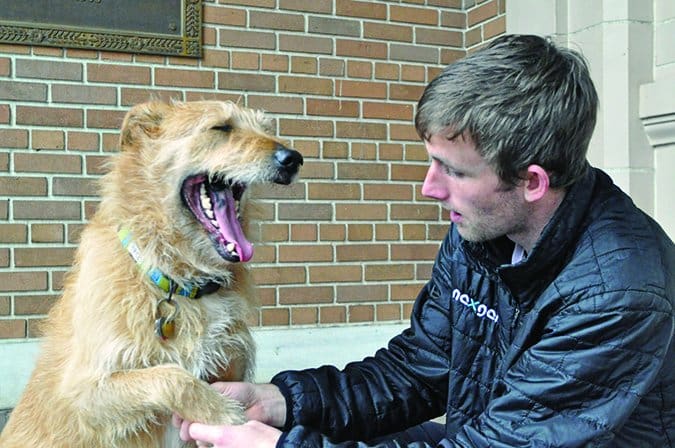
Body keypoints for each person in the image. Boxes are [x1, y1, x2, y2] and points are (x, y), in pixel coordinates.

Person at [173, 34, 674, 447]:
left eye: (452, 171)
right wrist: (281, 402)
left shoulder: (618, 293)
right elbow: (416, 372)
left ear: (532, 181)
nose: (429, 188)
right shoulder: (483, 230)